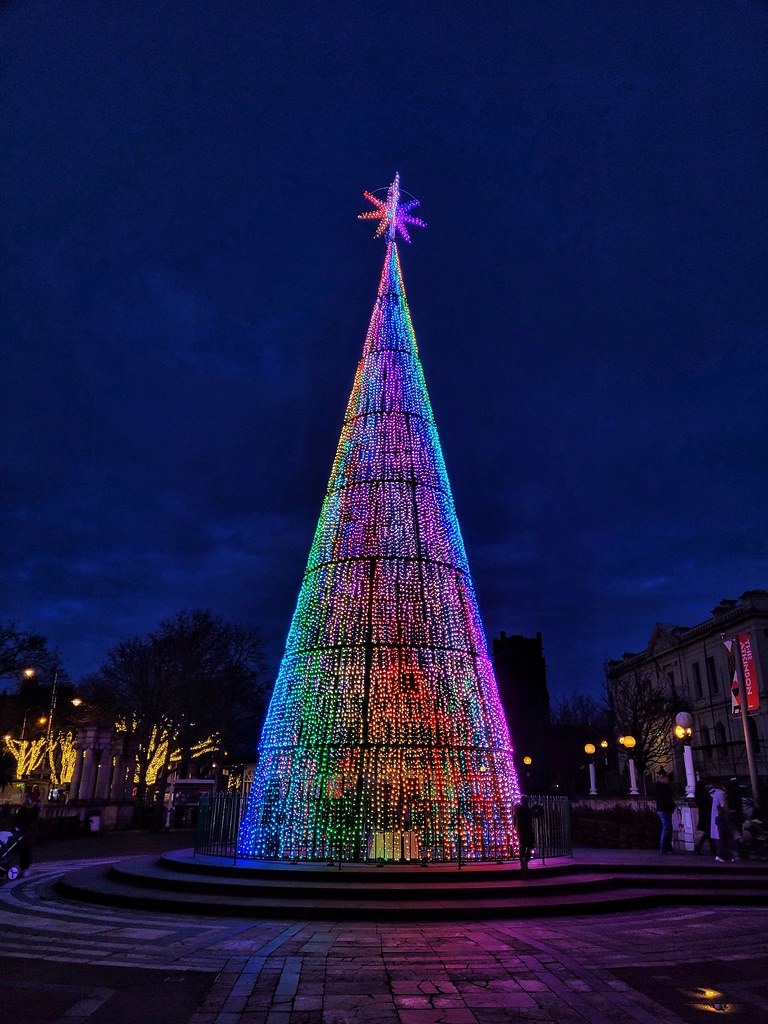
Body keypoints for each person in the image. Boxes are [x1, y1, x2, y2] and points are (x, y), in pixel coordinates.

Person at [15, 786, 41, 877]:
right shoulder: (26, 808)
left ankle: (25, 867)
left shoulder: (34, 809)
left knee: (26, 851)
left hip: (28, 832)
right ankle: (24, 867)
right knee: (24, 850)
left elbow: (33, 820)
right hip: (23, 831)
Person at [654, 769, 675, 854]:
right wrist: (671, 806)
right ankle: (664, 847)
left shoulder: (659, 787)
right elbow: (666, 799)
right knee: (667, 828)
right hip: (664, 809)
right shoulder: (663, 788)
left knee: (668, 828)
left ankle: (667, 847)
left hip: (662, 809)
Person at [694, 779, 716, 855]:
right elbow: (709, 802)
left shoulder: (698, 794)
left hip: (704, 814)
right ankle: (712, 849)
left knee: (707, 832)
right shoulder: (704, 794)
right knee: (708, 832)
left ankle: (700, 847)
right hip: (707, 814)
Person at [513, 795, 534, 873]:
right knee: (529, 847)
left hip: (521, 831)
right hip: (528, 831)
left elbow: (514, 818)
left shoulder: (518, 809)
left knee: (522, 846)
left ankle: (523, 861)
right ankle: (525, 861)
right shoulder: (528, 810)